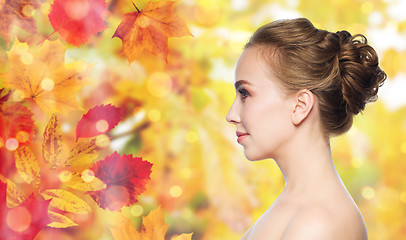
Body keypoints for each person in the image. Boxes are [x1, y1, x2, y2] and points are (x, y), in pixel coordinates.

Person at [226, 18, 386, 239]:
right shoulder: (295, 208)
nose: (231, 115)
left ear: (300, 106)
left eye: (245, 94)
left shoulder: (317, 225)